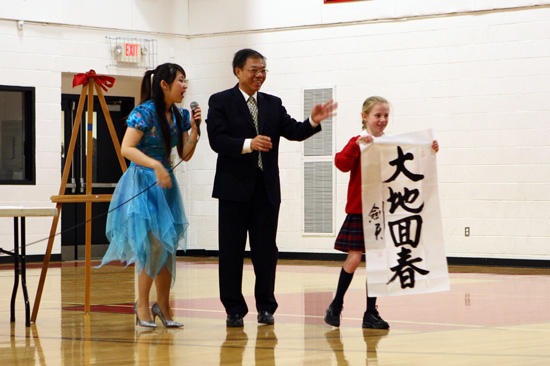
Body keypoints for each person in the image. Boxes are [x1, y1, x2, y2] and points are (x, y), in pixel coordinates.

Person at [207, 48, 337, 327]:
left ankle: (266, 307)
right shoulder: (220, 101)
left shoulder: (272, 103)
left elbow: (294, 132)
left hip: (266, 192)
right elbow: (217, 140)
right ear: (238, 71)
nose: (260, 75)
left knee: (266, 252)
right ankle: (233, 309)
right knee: (230, 252)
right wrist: (248, 144)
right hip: (233, 192)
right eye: (254, 69)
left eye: (263, 70)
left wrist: (313, 121)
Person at [98, 63, 201, 328]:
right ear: (164, 85)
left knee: (167, 246)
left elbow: (185, 155)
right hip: (142, 182)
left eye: (186, 80)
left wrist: (195, 132)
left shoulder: (179, 115)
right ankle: (141, 304)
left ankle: (163, 306)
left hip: (165, 183)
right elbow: (126, 149)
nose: (185, 86)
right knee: (150, 245)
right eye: (181, 80)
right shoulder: (143, 113)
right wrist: (155, 165)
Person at [324, 96, 439, 329]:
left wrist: (429, 149)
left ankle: (370, 313)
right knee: (354, 258)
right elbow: (341, 164)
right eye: (378, 115)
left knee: (377, 262)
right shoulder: (357, 141)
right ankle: (336, 305)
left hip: (385, 210)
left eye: (386, 115)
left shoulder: (392, 143)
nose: (383, 120)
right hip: (360, 210)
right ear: (365, 117)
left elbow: (412, 165)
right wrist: (357, 147)